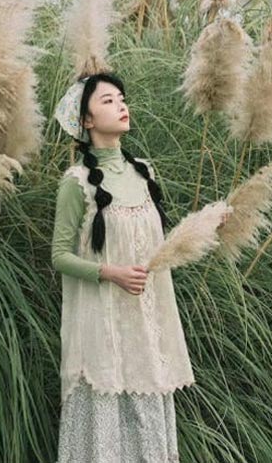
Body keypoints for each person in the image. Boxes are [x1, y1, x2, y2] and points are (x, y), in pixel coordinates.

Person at [51, 72, 195, 462]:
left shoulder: (146, 173)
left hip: (148, 327)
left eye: (122, 98)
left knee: (147, 430)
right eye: (108, 101)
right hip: (101, 326)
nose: (121, 105)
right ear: (86, 121)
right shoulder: (76, 183)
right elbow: (59, 255)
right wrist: (109, 272)